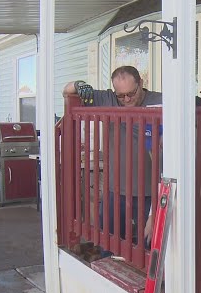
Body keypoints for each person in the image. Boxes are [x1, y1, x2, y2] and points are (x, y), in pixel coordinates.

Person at [63, 66, 162, 245]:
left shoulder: (159, 100)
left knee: (150, 246)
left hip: (150, 192)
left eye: (131, 93)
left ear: (141, 84)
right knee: (108, 245)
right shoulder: (108, 99)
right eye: (121, 96)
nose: (127, 100)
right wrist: (79, 85)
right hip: (115, 190)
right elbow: (67, 90)